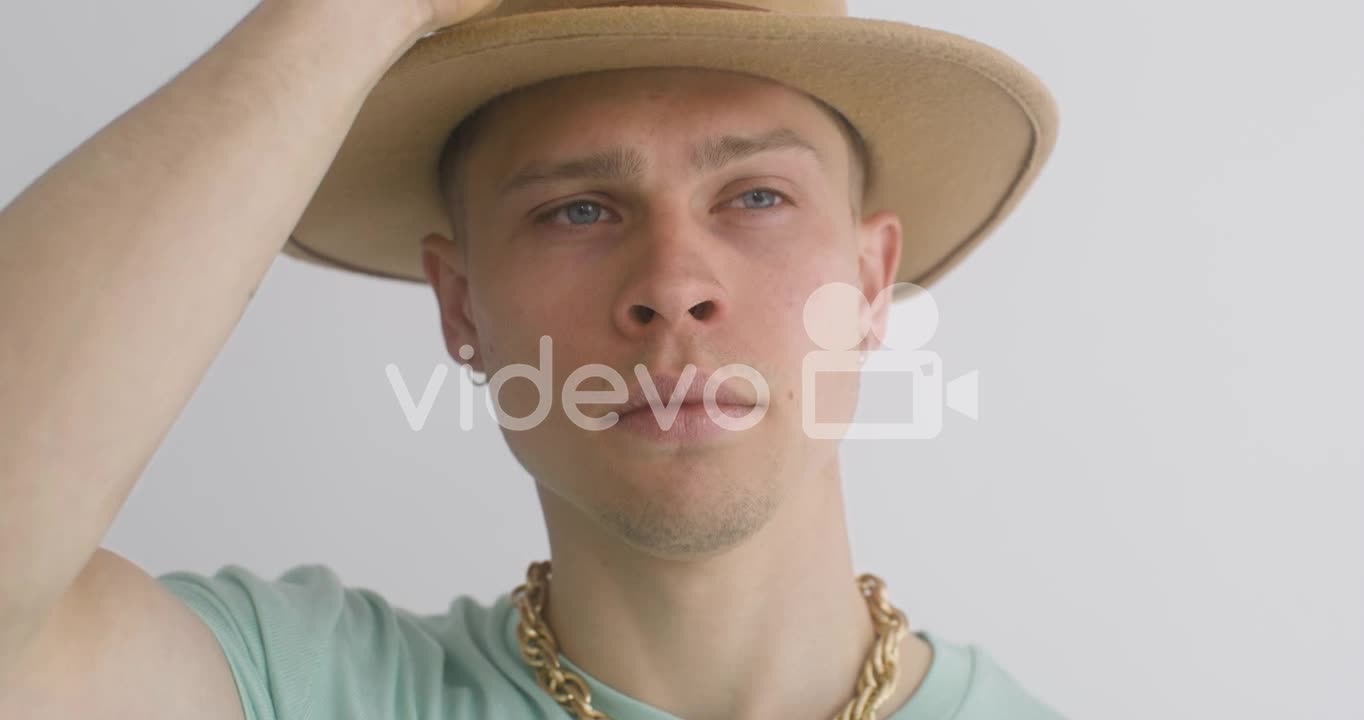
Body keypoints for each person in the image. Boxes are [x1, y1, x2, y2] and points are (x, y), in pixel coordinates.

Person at [0, 1, 1062, 718]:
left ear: (871, 287)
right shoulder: (303, 688)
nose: (671, 282)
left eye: (755, 198)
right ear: (462, 306)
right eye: (579, 209)